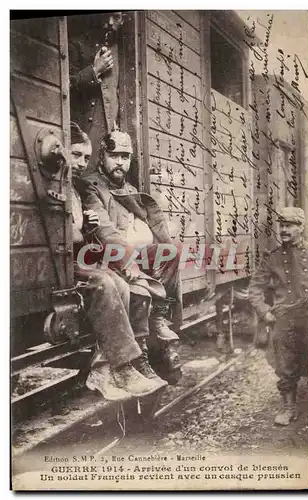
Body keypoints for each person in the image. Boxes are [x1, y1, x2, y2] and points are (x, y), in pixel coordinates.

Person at [70, 122, 167, 402]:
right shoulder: (87, 186)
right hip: (92, 260)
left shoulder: (117, 188)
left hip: (109, 257)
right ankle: (118, 368)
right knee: (117, 284)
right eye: (75, 155)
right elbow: (103, 234)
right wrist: (128, 264)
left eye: (126, 157)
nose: (80, 163)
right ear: (104, 157)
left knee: (151, 273)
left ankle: (138, 360)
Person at [249, 207, 308, 426]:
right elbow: (255, 289)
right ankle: (289, 407)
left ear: (301, 228)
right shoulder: (272, 257)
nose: (283, 230)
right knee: (285, 364)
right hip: (284, 318)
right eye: (282, 226)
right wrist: (264, 311)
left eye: (289, 226)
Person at [68, 12, 123, 170]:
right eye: (107, 15)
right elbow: (64, 87)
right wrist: (94, 70)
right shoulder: (76, 44)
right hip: (83, 137)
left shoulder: (123, 51)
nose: (109, 22)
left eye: (116, 17)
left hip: (110, 140)